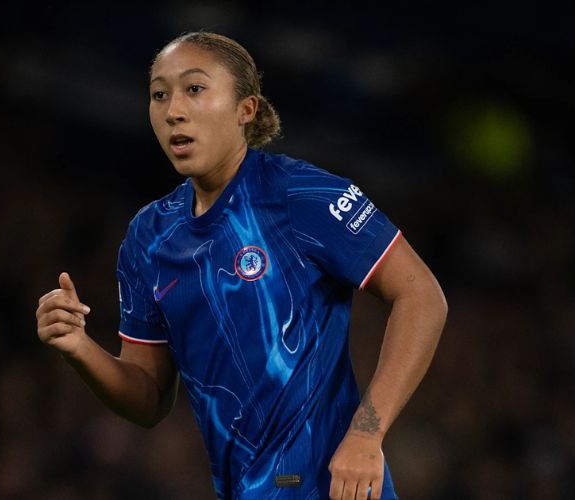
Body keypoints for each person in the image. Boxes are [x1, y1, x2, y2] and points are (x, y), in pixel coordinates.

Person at [36, 31, 447, 500]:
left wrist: (366, 434)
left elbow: (422, 296)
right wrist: (79, 347)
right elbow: (148, 398)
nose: (173, 110)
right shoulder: (147, 239)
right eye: (159, 94)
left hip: (328, 489)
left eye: (194, 88)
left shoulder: (301, 195)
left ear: (245, 109)